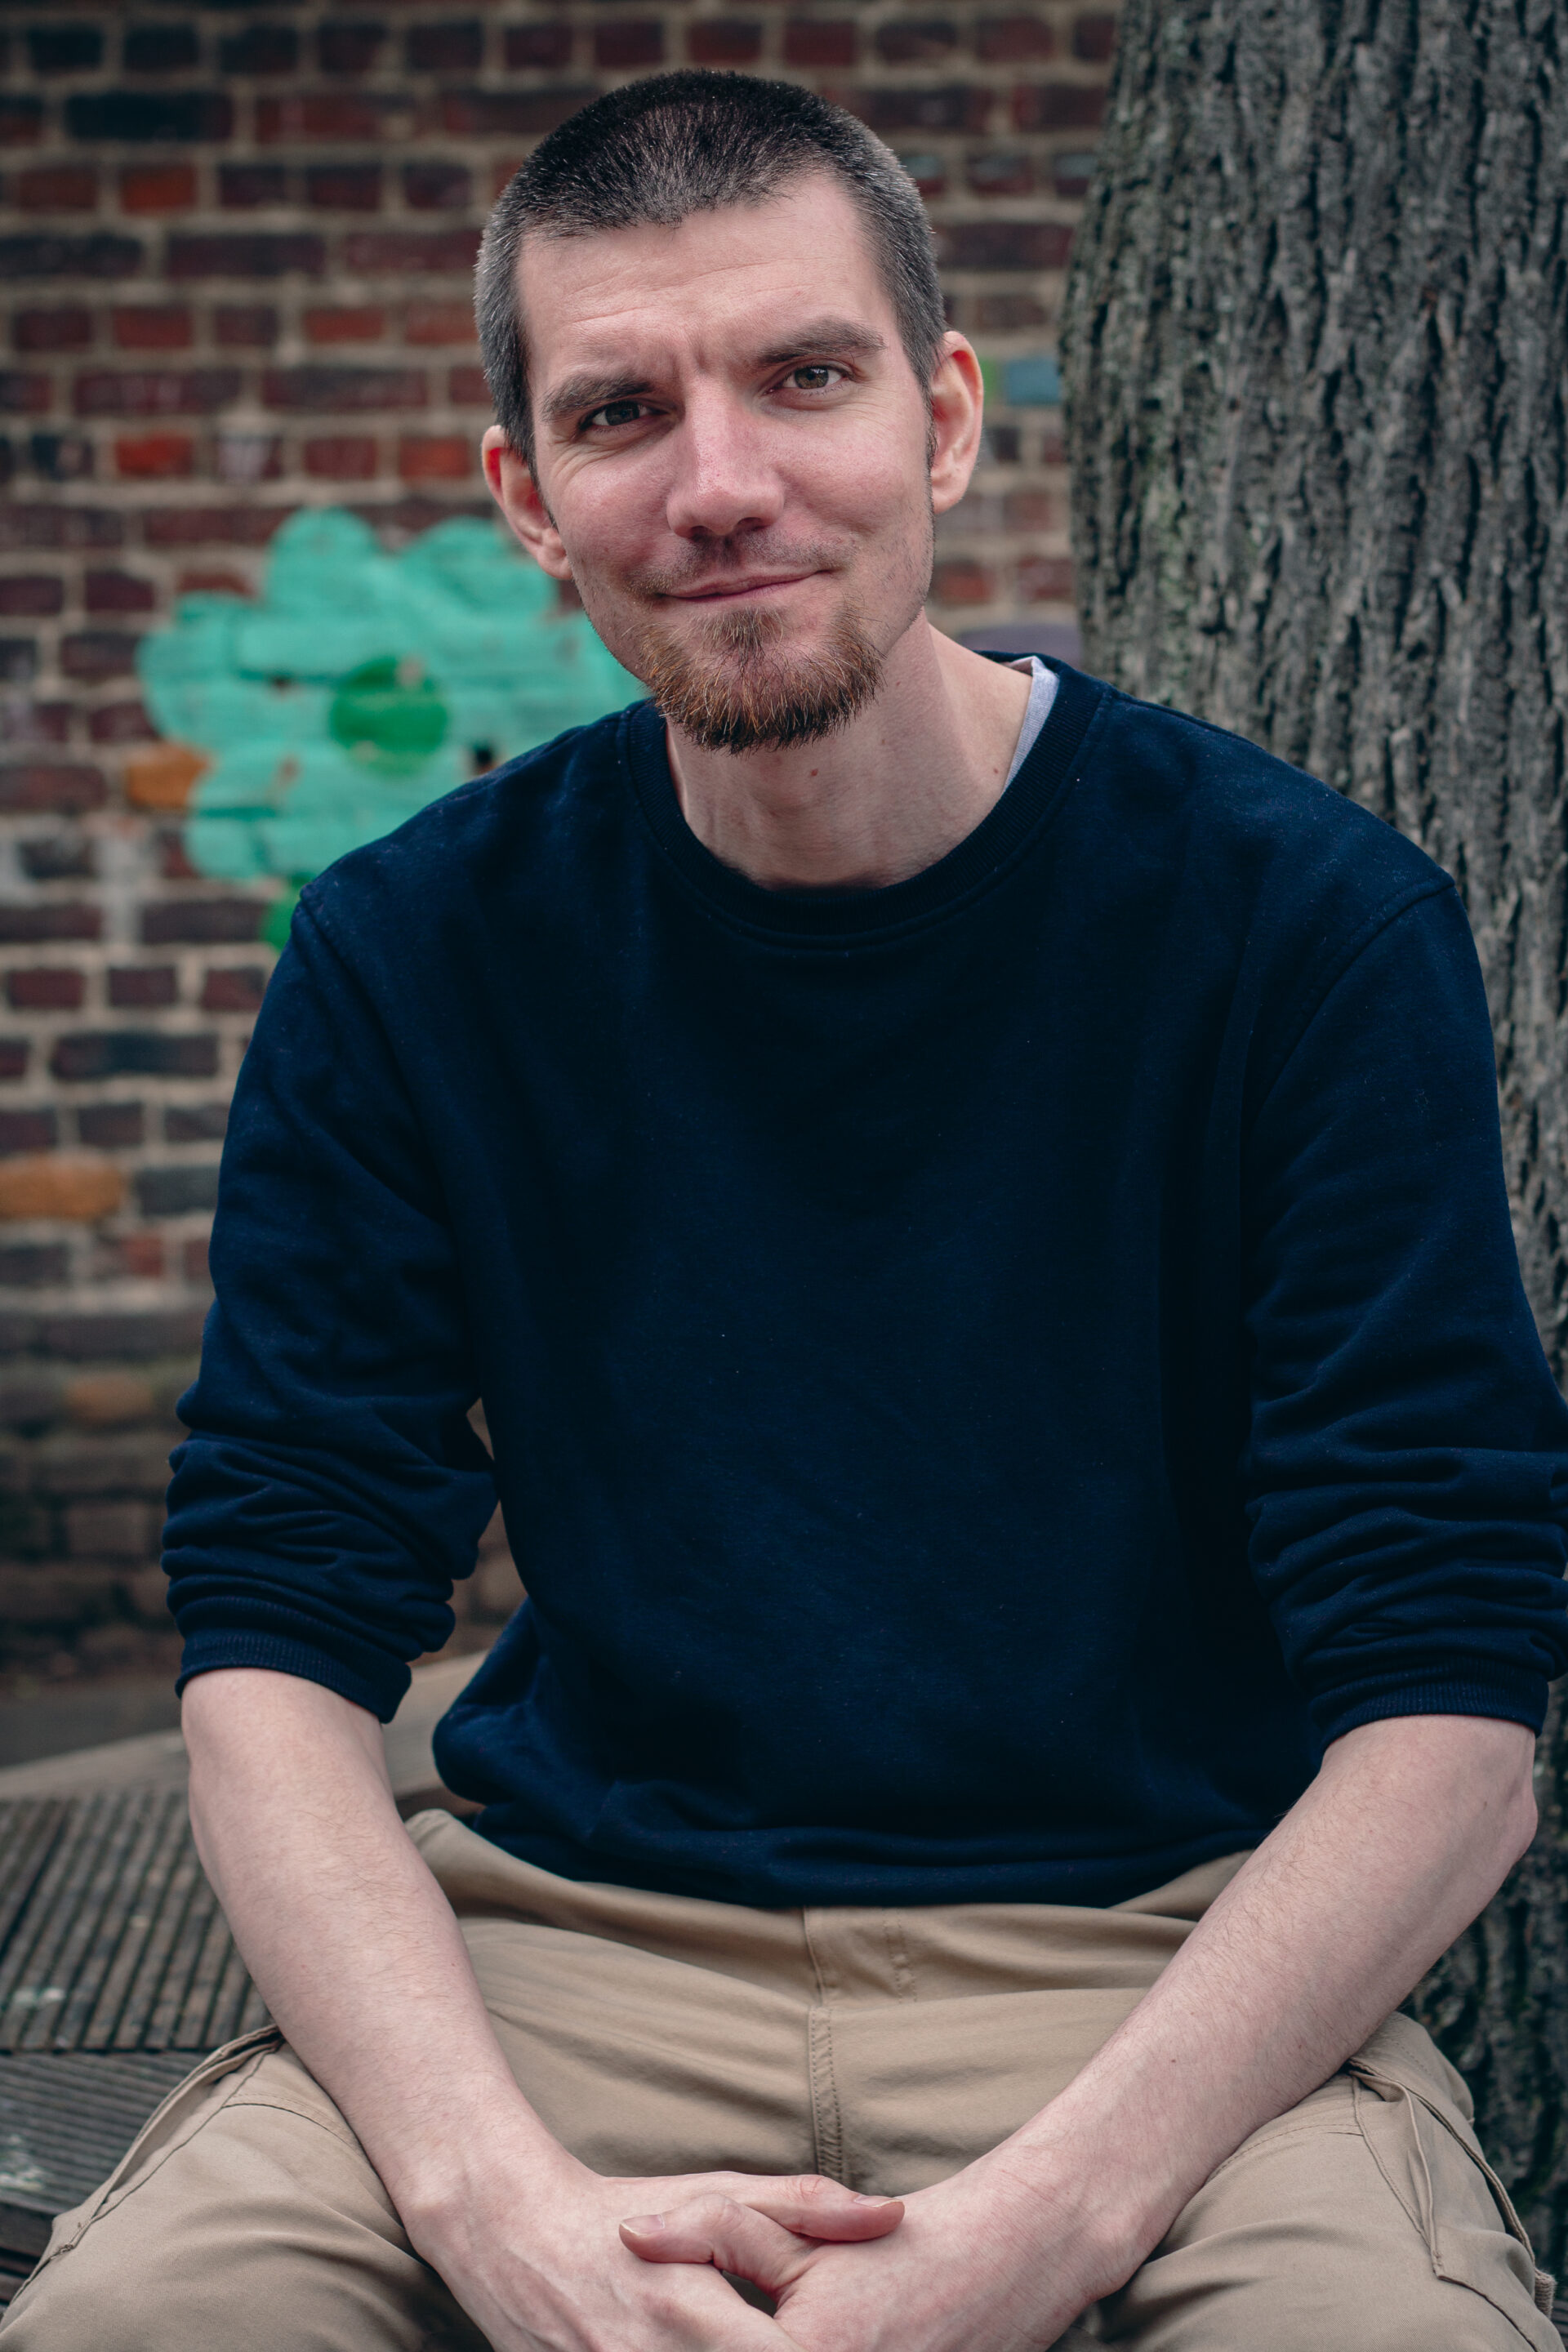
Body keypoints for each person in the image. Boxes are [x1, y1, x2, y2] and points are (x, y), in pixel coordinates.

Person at [7, 69, 1566, 2352]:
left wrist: (1046, 2228)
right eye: (621, 412)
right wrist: (488, 2202)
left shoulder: (1299, 928)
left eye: (805, 376)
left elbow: (1451, 1700)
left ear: (945, 419)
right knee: (146, 2329)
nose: (720, 484)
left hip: (1156, 1964)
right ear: (530, 501)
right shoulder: (416, 954)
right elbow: (275, 1621)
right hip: (565, 1948)